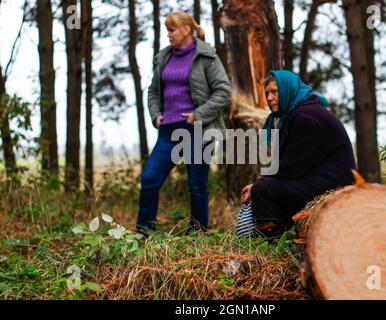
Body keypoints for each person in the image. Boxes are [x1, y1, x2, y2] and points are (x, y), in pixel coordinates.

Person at [137, 11, 231, 235]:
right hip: (168, 130)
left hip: (197, 130)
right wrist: (155, 113)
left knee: (196, 185)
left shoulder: (207, 56)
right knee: (150, 178)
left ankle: (197, 233)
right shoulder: (164, 57)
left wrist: (198, 114)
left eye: (172, 30)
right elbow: (153, 91)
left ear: (187, 30)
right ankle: (143, 232)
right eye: (167, 30)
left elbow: (223, 91)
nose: (168, 35)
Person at [236, 70, 357, 239]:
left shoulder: (306, 118)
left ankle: (270, 239)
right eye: (267, 93)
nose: (269, 98)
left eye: (275, 92)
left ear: (287, 90)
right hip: (321, 179)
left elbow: (292, 167)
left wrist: (259, 184)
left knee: (262, 190)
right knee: (266, 187)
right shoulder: (297, 114)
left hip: (334, 186)